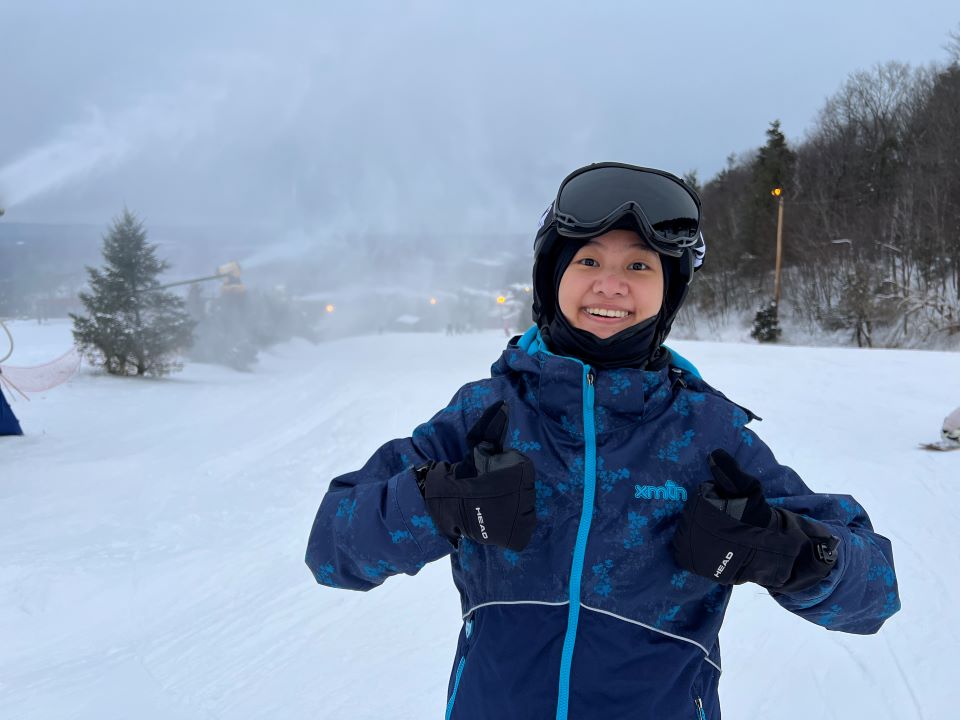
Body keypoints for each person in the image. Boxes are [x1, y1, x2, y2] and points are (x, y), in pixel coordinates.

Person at [306, 162, 900, 719]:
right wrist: (436, 502)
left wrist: (787, 549)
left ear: (668, 292)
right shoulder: (488, 413)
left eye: (640, 266)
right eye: (588, 261)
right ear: (552, 278)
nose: (611, 285)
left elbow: (873, 596)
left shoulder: (706, 434)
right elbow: (333, 548)